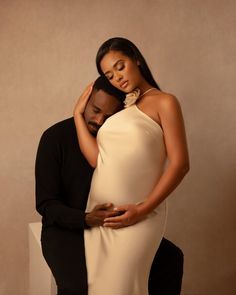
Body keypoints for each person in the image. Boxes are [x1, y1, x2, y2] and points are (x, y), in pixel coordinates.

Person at [36, 76, 184, 295]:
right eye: (95, 109)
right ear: (86, 99)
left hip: (113, 228)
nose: (99, 120)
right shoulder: (54, 137)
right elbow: (46, 204)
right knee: (80, 285)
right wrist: (86, 218)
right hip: (67, 230)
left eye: (109, 116)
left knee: (171, 259)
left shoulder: (120, 138)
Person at [73, 37, 189, 295]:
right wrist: (77, 116)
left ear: (135, 58)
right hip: (101, 219)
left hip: (139, 217)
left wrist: (142, 209)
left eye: (120, 66)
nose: (117, 78)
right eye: (109, 75)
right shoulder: (122, 109)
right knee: (101, 289)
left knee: (122, 288)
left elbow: (180, 164)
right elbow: (97, 160)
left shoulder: (164, 102)